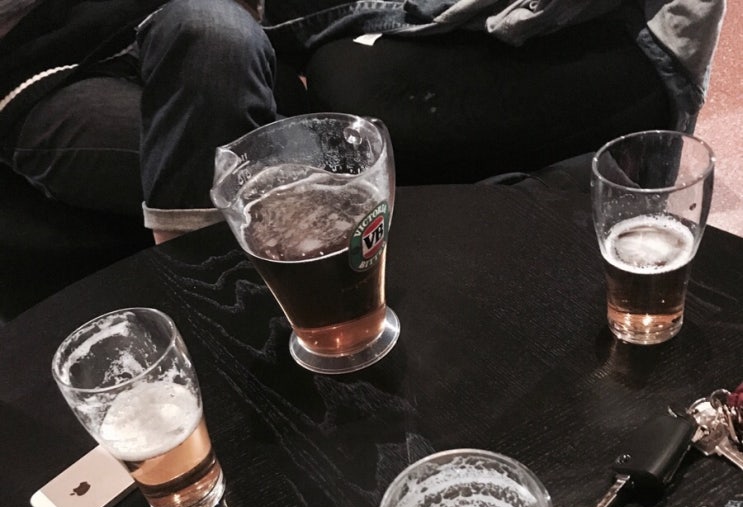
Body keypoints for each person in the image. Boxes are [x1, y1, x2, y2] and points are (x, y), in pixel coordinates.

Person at [0, 0, 726, 244]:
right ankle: (222, 309)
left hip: (218, 29)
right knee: (287, 163)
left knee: (213, 34)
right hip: (52, 74)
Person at [0, 0, 278, 244]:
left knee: (214, 28)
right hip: (35, 69)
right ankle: (205, 271)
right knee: (267, 161)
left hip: (153, 15)